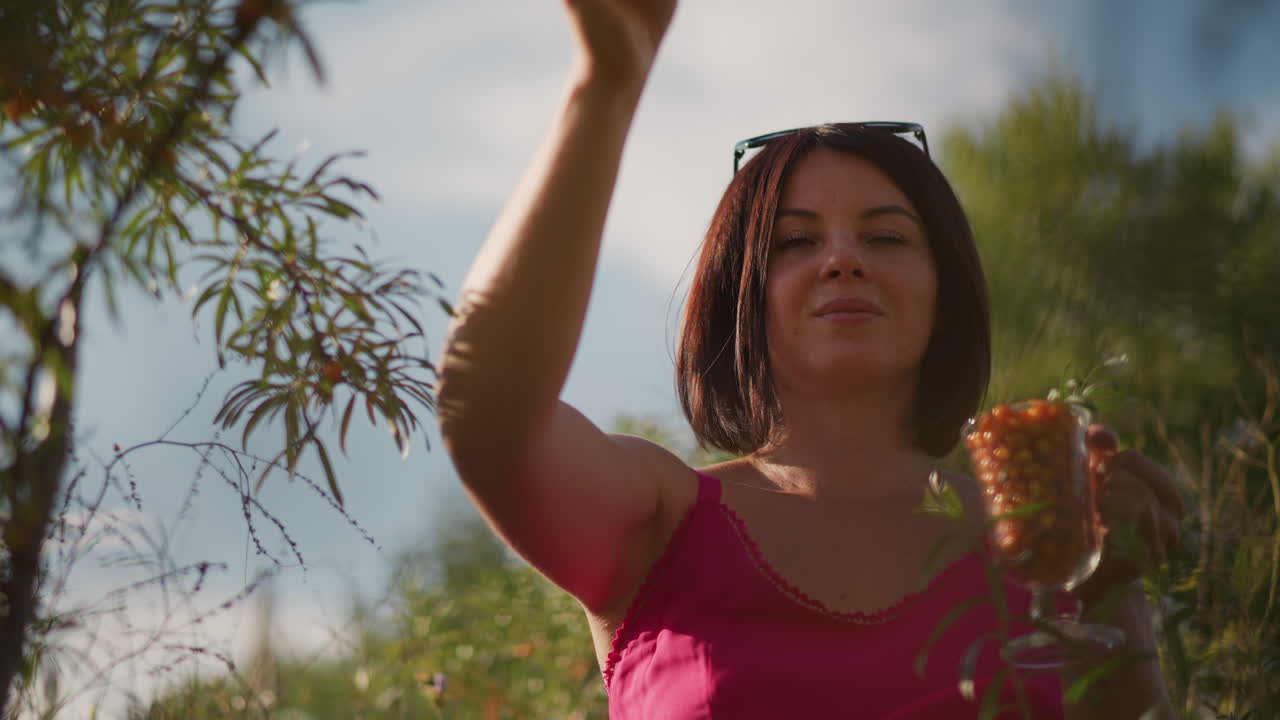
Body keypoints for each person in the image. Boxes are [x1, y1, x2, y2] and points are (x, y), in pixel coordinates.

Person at [436, 1, 1184, 717]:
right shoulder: (659, 523)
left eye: (885, 237)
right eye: (795, 242)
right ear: (743, 300)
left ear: (945, 293)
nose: (842, 260)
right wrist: (606, 81)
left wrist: (1106, 583)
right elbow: (487, 419)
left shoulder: (1041, 541)